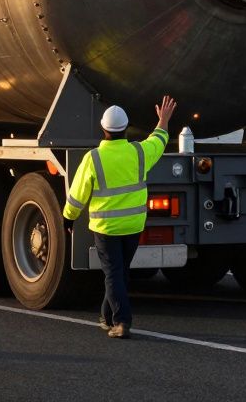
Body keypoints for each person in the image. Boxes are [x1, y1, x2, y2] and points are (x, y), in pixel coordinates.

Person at [63, 95, 176, 339]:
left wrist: (68, 217)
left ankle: (122, 322)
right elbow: (159, 140)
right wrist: (163, 120)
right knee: (119, 273)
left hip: (106, 227)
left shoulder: (93, 158)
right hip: (134, 225)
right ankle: (106, 316)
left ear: (103, 129)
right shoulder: (139, 152)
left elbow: (77, 194)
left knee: (113, 274)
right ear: (125, 128)